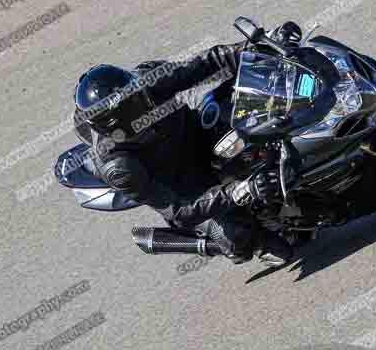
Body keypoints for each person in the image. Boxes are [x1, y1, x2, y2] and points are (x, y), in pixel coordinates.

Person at [72, 31, 298, 267]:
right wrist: (238, 190)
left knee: (245, 103)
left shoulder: (146, 82)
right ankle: (236, 242)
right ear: (120, 124)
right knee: (240, 237)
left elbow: (206, 63)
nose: (148, 102)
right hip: (182, 186)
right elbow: (179, 210)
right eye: (138, 107)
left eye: (141, 96)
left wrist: (256, 47)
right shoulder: (120, 166)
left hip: (195, 133)